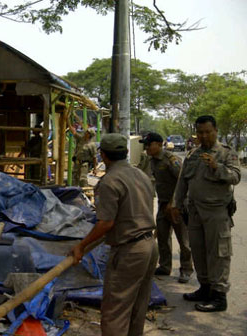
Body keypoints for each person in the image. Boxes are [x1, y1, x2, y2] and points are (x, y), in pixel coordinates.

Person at [70, 133, 158, 336]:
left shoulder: (109, 182)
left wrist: (81, 246)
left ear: (102, 155)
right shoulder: (140, 174)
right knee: (137, 305)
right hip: (149, 245)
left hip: (130, 251)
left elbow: (106, 223)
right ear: (125, 153)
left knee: (115, 311)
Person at [171, 115, 240, 312]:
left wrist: (216, 167)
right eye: (200, 132)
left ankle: (219, 296)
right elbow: (183, 181)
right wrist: (176, 204)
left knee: (218, 253)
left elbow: (235, 176)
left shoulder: (226, 153)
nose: (204, 136)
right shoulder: (193, 154)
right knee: (198, 251)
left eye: (207, 132)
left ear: (215, 131)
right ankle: (205, 288)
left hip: (216, 212)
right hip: (194, 212)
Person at [140, 132, 193, 283]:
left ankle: (186, 269)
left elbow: (183, 182)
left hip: (178, 205)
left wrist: (174, 203)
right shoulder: (152, 160)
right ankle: (164, 266)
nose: (147, 148)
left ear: (158, 144)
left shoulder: (171, 160)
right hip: (163, 204)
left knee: (184, 240)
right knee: (162, 236)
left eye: (149, 145)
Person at [68, 117, 98, 187]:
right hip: (77, 163)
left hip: (84, 164)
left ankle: (84, 192)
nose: (85, 133)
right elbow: (73, 132)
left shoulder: (91, 145)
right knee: (74, 179)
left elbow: (94, 157)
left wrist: (95, 169)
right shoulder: (80, 139)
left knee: (83, 179)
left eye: (87, 133)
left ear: (89, 135)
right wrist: (68, 121)